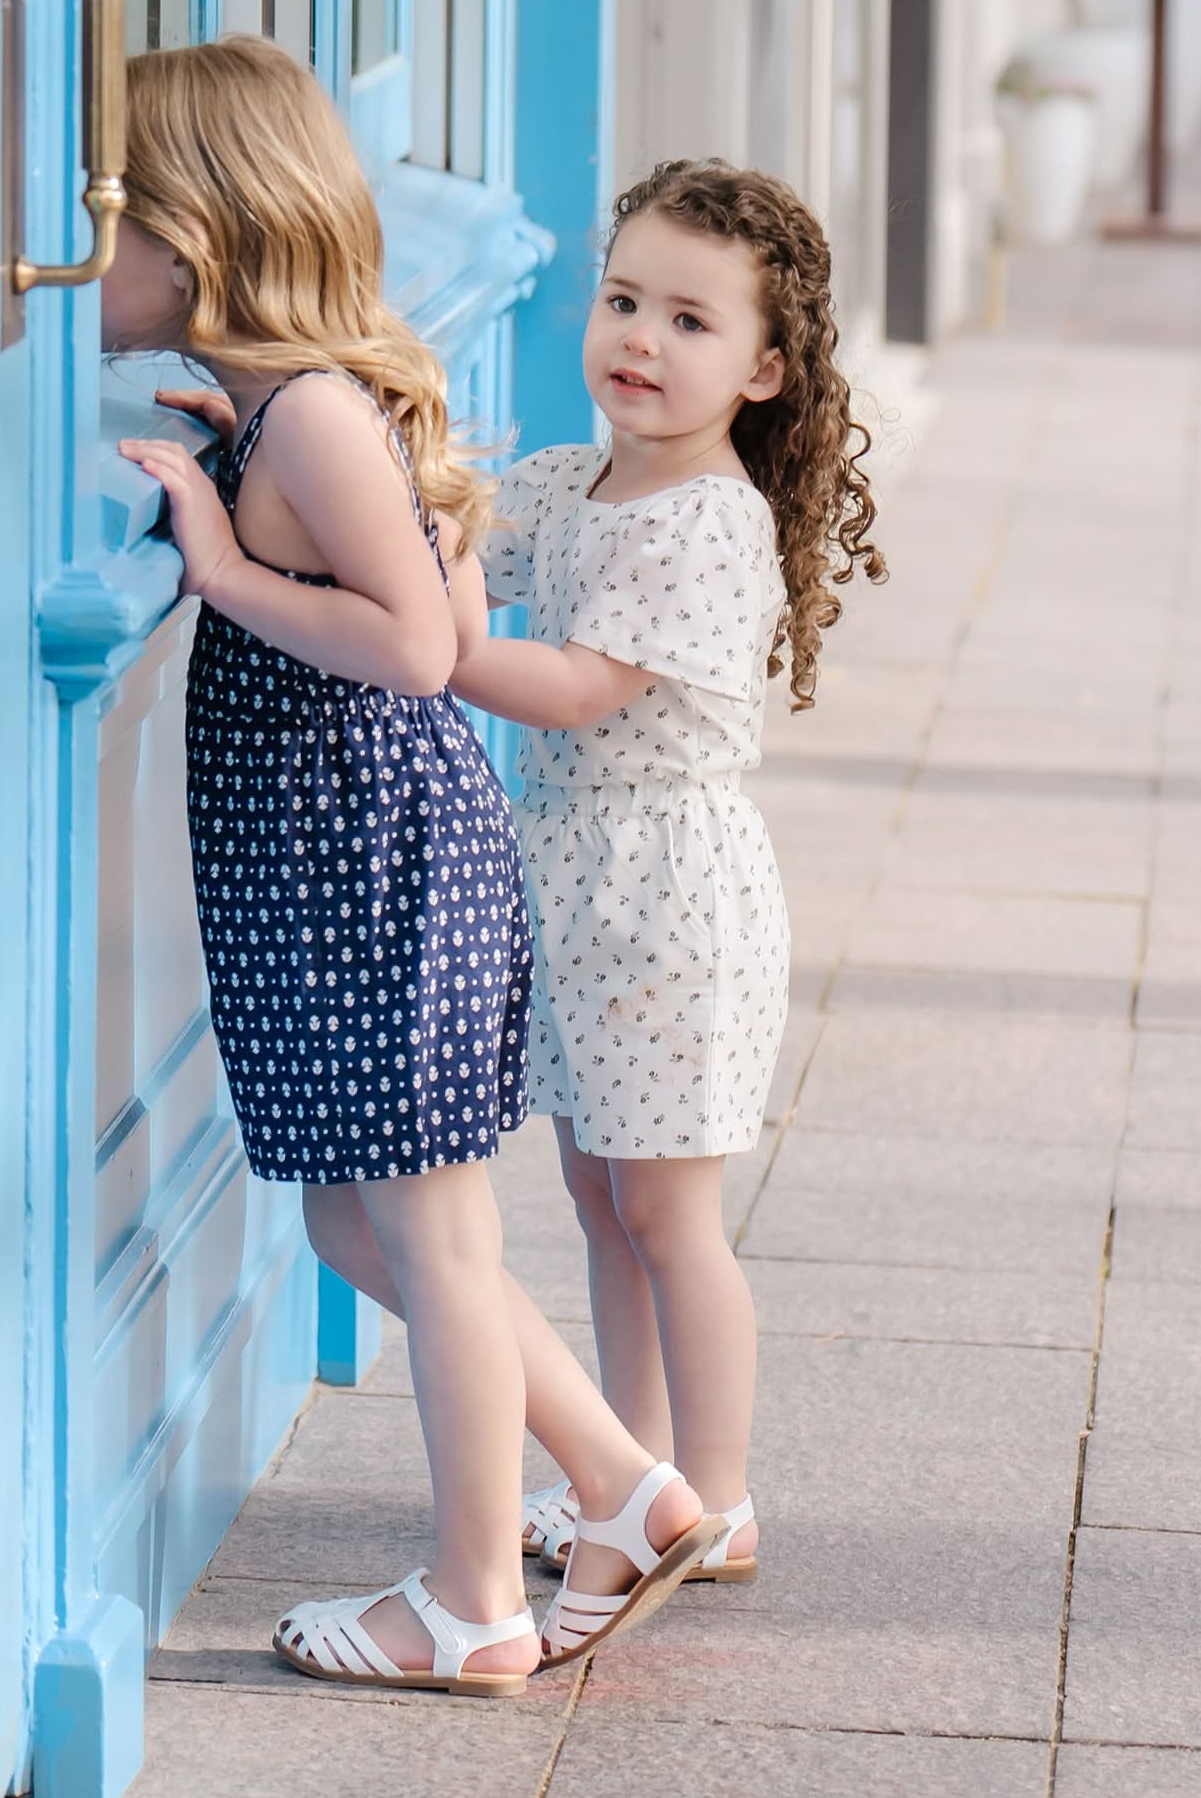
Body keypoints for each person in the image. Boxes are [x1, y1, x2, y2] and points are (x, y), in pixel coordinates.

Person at [105, 36, 727, 1695]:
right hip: (344, 866)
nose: (80, 244)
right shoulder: (291, 397)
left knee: (433, 1250)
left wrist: (223, 565)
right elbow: (441, 604)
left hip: (365, 868)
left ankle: (472, 1607)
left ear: (202, 232)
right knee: (357, 1235)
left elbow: (412, 650)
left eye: (110, 212)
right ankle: (626, 1482)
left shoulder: (306, 411)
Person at [450, 159, 885, 1599]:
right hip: (572, 888)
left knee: (670, 1212)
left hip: (668, 903)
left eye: (689, 321)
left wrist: (435, 642)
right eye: (625, 298)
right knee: (595, 1187)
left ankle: (722, 1493)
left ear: (764, 369)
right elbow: (455, 531)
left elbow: (574, 687)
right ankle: (631, 1477)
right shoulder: (571, 481)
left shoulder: (704, 523)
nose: (641, 338)